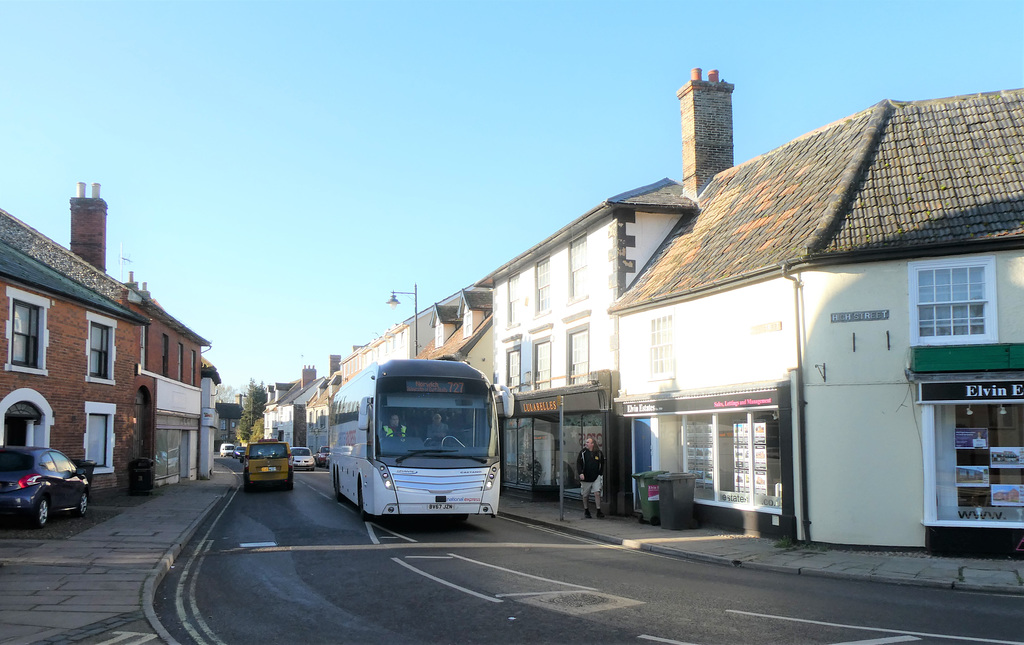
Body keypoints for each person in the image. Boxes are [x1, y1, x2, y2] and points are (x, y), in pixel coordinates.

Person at [576, 437, 605, 518]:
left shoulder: (599, 453)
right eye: (586, 442)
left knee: (597, 493)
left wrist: (600, 473)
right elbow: (579, 463)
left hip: (596, 477)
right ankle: (586, 510)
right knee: (585, 495)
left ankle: (598, 511)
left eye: (588, 442)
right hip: (586, 477)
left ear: (592, 444)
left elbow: (602, 463)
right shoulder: (583, 452)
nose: (586, 443)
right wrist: (580, 473)